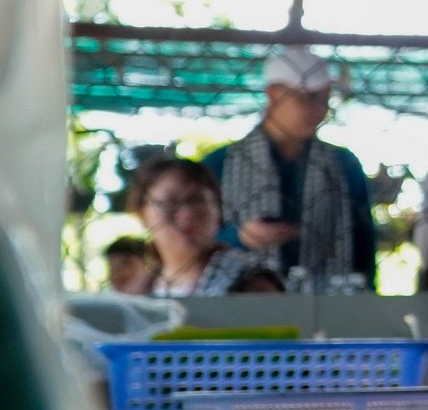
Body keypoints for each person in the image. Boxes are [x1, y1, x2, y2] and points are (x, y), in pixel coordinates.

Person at [202, 46, 375, 291]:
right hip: (243, 297)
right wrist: (239, 238)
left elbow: (364, 245)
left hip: (326, 299)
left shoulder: (343, 164)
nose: (318, 110)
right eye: (305, 98)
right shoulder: (220, 163)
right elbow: (195, 243)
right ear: (273, 95)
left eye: (324, 99)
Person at [128, 159, 282, 296]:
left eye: (197, 200)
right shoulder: (138, 291)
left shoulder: (249, 279)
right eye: (170, 202)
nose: (187, 214)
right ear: (141, 213)